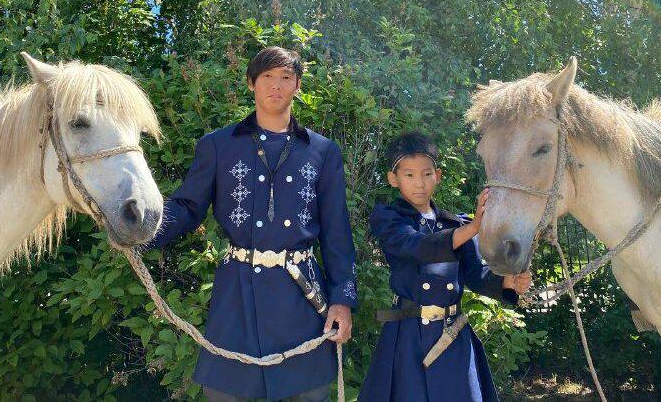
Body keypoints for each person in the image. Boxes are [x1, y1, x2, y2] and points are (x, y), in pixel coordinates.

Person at [150, 46, 357, 401]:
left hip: (302, 300)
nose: (276, 85)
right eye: (267, 77)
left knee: (308, 395)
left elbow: (337, 232)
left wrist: (342, 299)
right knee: (224, 394)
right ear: (251, 83)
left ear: (297, 86)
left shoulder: (323, 151)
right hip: (236, 298)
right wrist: (140, 230)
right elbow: (187, 207)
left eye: (285, 78)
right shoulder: (218, 145)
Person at [359, 131, 531, 402]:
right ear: (394, 179)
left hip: (452, 337)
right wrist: (474, 227)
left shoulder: (455, 225)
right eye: (409, 175)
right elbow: (416, 246)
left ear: (437, 175)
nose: (420, 184)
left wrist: (507, 283)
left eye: (427, 174)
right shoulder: (389, 218)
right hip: (408, 338)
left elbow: (476, 276)